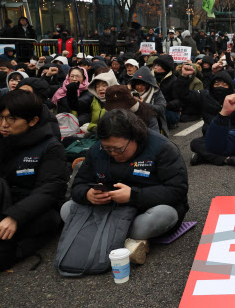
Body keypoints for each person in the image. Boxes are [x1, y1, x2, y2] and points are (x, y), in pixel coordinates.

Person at [65, 109, 189, 264]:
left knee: (164, 215)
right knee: (66, 209)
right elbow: (77, 185)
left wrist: (133, 195)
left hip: (144, 211)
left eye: (118, 149)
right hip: (109, 210)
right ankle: (127, 244)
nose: (113, 153)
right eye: (107, 149)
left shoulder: (163, 148)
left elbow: (177, 191)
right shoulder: (97, 150)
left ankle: (100, 239)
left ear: (135, 137)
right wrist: (88, 194)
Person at [0, 90, 68, 274]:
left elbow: (49, 189)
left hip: (28, 209)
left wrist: (14, 216)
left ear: (32, 121)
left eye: (11, 119)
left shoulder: (50, 147)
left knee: (47, 219)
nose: (3, 125)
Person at [189, 70, 235, 166]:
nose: (220, 87)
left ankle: (203, 157)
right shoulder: (204, 96)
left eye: (224, 84)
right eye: (217, 84)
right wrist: (184, 77)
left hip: (231, 137)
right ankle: (226, 159)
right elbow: (185, 95)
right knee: (195, 143)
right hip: (211, 137)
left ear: (230, 86)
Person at [129, 66, 168, 135]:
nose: (139, 87)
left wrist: (143, 104)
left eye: (142, 85)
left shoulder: (155, 92)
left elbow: (161, 108)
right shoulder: (129, 92)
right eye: (137, 84)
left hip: (151, 124)